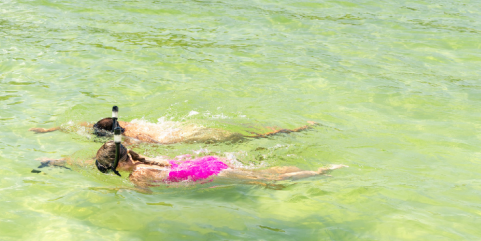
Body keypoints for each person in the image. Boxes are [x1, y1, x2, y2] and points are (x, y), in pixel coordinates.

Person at [36, 141, 345, 188]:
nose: (129, 158)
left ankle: (318, 173)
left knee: (265, 179)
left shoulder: (138, 175)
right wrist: (56, 161)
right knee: (260, 170)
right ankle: (311, 171)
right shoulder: (141, 161)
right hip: (202, 160)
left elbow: (148, 198)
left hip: (205, 172)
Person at [31, 110, 316, 145]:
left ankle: (298, 131)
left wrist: (51, 131)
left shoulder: (132, 136)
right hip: (184, 127)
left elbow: (80, 126)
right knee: (247, 135)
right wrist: (49, 130)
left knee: (246, 139)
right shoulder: (128, 125)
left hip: (185, 137)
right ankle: (296, 129)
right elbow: (82, 124)